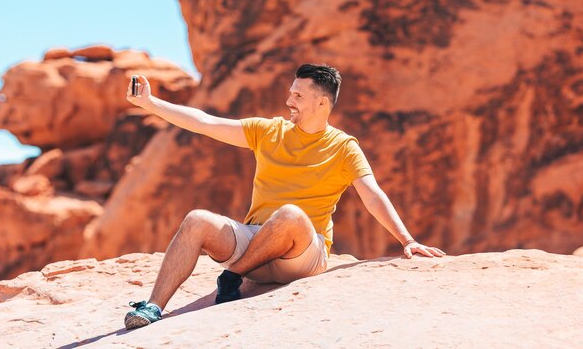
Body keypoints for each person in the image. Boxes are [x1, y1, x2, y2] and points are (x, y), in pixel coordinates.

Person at [123, 64, 445, 330]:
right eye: (290, 93)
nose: (289, 100)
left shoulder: (344, 147)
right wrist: (152, 104)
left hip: (303, 253)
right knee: (197, 220)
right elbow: (206, 123)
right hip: (257, 243)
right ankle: (153, 307)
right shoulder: (268, 131)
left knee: (290, 214)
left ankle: (231, 278)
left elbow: (373, 195)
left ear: (322, 103)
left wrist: (407, 240)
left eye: (298, 95)